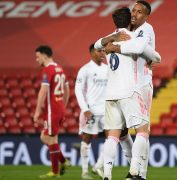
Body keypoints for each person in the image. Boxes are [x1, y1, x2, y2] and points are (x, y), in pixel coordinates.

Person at [94, 6, 160, 180]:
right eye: (133, 12)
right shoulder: (131, 38)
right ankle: (134, 173)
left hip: (111, 93)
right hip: (131, 89)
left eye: (138, 12)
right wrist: (155, 58)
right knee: (143, 131)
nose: (135, 14)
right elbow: (145, 51)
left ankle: (107, 175)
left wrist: (112, 44)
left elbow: (96, 45)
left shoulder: (109, 41)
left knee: (114, 136)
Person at [33, 45, 71, 178]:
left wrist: (37, 111)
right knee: (48, 138)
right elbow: (67, 90)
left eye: (37, 57)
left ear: (44, 55)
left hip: (52, 110)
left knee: (48, 138)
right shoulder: (59, 68)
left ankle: (57, 169)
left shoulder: (48, 69)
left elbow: (43, 91)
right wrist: (63, 107)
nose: (37, 60)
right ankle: (62, 163)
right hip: (58, 108)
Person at [75, 44, 109, 179]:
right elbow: (78, 90)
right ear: (91, 52)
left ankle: (98, 166)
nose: (102, 53)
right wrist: (85, 109)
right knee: (87, 139)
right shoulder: (85, 69)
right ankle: (84, 172)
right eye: (99, 51)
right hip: (92, 110)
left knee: (112, 138)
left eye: (103, 51)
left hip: (106, 110)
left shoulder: (108, 69)